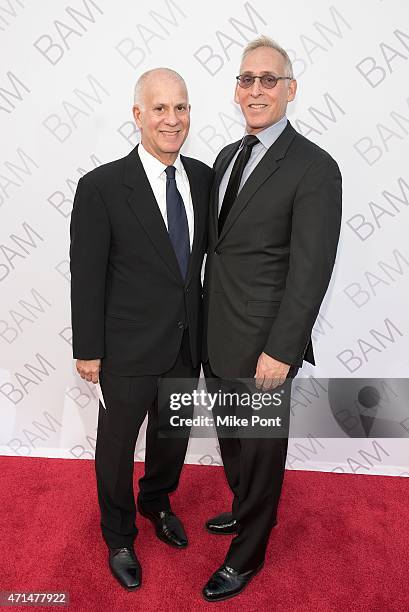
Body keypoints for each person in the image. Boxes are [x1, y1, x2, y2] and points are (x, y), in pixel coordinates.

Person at [202, 35, 342, 601]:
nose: (255, 89)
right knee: (234, 441)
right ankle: (242, 509)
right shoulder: (226, 157)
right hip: (218, 334)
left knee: (261, 450)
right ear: (236, 91)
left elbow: (311, 273)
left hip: (266, 344)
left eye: (268, 79)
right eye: (246, 79)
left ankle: (247, 554)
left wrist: (282, 350)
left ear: (290, 90)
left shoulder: (314, 167)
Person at [69, 68, 212, 591]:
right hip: (124, 349)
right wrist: (89, 349)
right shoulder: (102, 187)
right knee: (115, 448)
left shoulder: (202, 177)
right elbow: (86, 274)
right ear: (138, 116)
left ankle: (157, 503)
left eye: (181, 108)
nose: (172, 120)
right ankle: (120, 535)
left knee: (171, 439)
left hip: (184, 343)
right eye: (160, 109)